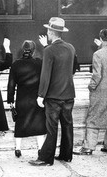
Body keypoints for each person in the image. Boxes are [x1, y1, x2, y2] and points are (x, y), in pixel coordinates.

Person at [28, 17, 78, 166]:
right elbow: (74, 68)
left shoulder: (49, 50)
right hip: (69, 94)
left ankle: (46, 158)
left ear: (51, 32)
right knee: (68, 125)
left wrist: (40, 95)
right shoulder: (71, 47)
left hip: (53, 96)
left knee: (52, 127)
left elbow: (46, 74)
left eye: (48, 31)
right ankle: (66, 155)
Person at [73, 29, 107, 155]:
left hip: (101, 91)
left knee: (93, 118)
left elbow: (97, 75)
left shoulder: (97, 54)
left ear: (100, 38)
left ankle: (89, 147)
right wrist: (101, 46)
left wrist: (91, 86)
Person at [7, 40, 46, 158]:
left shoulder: (16, 64)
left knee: (20, 124)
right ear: (34, 50)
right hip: (36, 98)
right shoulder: (39, 63)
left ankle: (18, 149)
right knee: (39, 124)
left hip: (21, 99)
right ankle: (40, 149)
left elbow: (11, 84)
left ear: (22, 49)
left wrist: (10, 101)